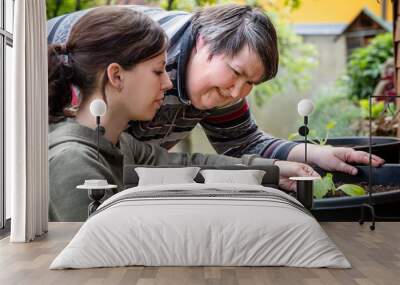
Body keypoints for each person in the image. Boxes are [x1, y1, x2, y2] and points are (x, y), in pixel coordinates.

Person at [48, 7, 319, 222]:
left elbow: (188, 165)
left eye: (250, 83)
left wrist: (270, 170)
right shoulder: (74, 162)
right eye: (158, 71)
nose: (167, 84)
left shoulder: (122, 144)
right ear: (116, 75)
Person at [48, 4, 385, 175]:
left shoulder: (216, 84)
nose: (238, 92)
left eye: (251, 83)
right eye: (237, 73)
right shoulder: (141, 52)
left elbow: (243, 142)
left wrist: (311, 153)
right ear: (204, 42)